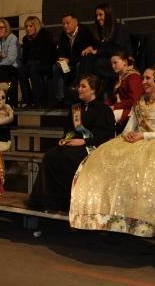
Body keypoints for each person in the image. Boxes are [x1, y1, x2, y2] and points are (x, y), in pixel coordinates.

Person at [69, 68, 155, 237]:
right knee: (105, 159)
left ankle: (143, 220)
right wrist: (128, 134)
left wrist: (144, 135)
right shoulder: (139, 103)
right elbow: (128, 129)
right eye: (143, 78)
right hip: (137, 141)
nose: (143, 82)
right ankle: (108, 216)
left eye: (147, 78)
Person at [25, 75, 115, 212]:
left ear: (93, 90)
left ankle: (68, 201)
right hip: (74, 144)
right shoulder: (75, 108)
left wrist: (84, 141)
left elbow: (106, 134)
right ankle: (48, 201)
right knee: (51, 155)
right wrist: (65, 139)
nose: (79, 89)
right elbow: (69, 130)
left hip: (92, 146)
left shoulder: (104, 110)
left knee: (68, 157)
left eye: (83, 86)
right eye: (79, 86)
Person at [52, 13, 96, 107]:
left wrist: (69, 60)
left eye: (67, 23)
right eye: (63, 24)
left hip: (81, 62)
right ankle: (60, 98)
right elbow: (60, 51)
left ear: (75, 22)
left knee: (79, 65)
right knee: (56, 67)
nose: (65, 26)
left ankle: (77, 96)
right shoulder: (63, 35)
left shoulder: (84, 32)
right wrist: (61, 59)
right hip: (68, 64)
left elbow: (85, 53)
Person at [84, 3, 131, 85]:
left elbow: (117, 50)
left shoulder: (119, 28)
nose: (98, 18)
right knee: (87, 56)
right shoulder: (102, 30)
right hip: (106, 58)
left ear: (108, 15)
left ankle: (89, 84)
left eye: (100, 15)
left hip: (120, 60)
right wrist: (91, 47)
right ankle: (84, 83)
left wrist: (98, 52)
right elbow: (100, 46)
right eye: (96, 15)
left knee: (97, 64)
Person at [19, 15, 56, 108]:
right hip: (32, 64)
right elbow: (25, 57)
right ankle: (27, 99)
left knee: (33, 69)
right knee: (20, 70)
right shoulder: (26, 39)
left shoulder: (45, 35)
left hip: (46, 64)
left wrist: (32, 62)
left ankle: (38, 100)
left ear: (36, 26)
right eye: (26, 26)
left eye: (30, 26)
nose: (28, 29)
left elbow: (48, 55)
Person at [105, 50, 143, 128]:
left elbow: (134, 101)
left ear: (125, 62)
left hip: (132, 111)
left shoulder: (133, 77)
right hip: (121, 108)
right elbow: (112, 99)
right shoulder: (120, 78)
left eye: (115, 63)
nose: (113, 66)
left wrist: (114, 107)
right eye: (111, 64)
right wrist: (104, 107)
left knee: (107, 116)